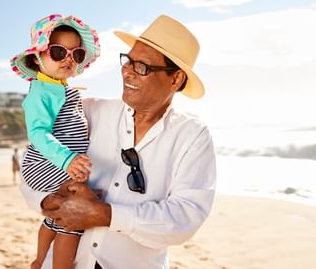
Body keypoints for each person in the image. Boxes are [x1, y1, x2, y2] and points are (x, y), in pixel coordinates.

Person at [20, 14, 216, 269]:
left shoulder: (192, 135)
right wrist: (51, 202)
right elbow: (34, 165)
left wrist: (104, 215)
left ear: (175, 79)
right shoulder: (84, 111)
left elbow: (185, 217)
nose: (127, 72)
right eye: (127, 61)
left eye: (142, 66)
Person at [10, 14, 100, 269]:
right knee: (73, 220)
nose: (69, 59)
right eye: (59, 52)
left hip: (55, 165)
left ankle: (39, 260)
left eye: (77, 54)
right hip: (48, 164)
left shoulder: (56, 87)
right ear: (36, 58)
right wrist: (67, 159)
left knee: (57, 216)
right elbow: (38, 134)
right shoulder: (40, 92)